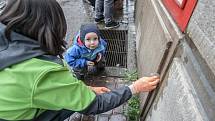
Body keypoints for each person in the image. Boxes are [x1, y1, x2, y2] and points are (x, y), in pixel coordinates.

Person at [0, 0, 160, 121]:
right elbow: (95, 104)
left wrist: (85, 89)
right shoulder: (44, 72)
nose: (92, 43)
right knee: (73, 103)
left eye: (95, 39)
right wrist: (134, 87)